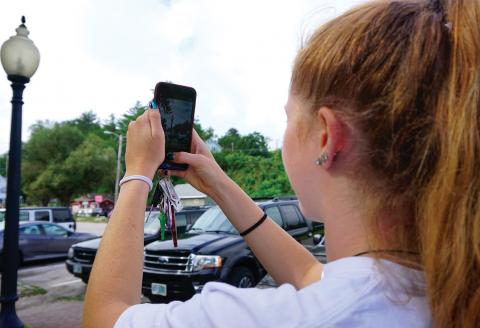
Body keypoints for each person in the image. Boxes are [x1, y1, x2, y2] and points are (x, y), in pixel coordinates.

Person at [83, 0, 480, 327]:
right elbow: (312, 276)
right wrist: (217, 182)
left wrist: (137, 174)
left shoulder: (271, 318)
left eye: (289, 117)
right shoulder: (440, 289)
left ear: (326, 137)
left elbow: (105, 317)